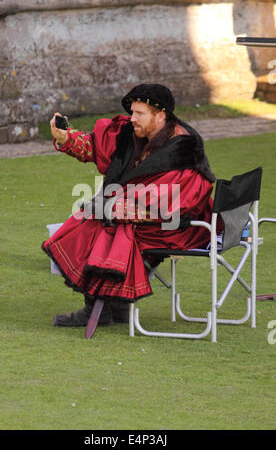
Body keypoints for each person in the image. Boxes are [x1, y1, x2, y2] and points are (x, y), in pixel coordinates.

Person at [42, 83, 217, 334]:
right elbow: (97, 146)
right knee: (95, 218)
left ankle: (98, 309)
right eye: (132, 112)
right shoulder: (131, 132)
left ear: (160, 115)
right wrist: (65, 138)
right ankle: (116, 304)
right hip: (147, 217)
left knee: (98, 229)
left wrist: (114, 211)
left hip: (173, 228)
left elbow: (170, 208)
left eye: (139, 113)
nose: (132, 118)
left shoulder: (183, 151)